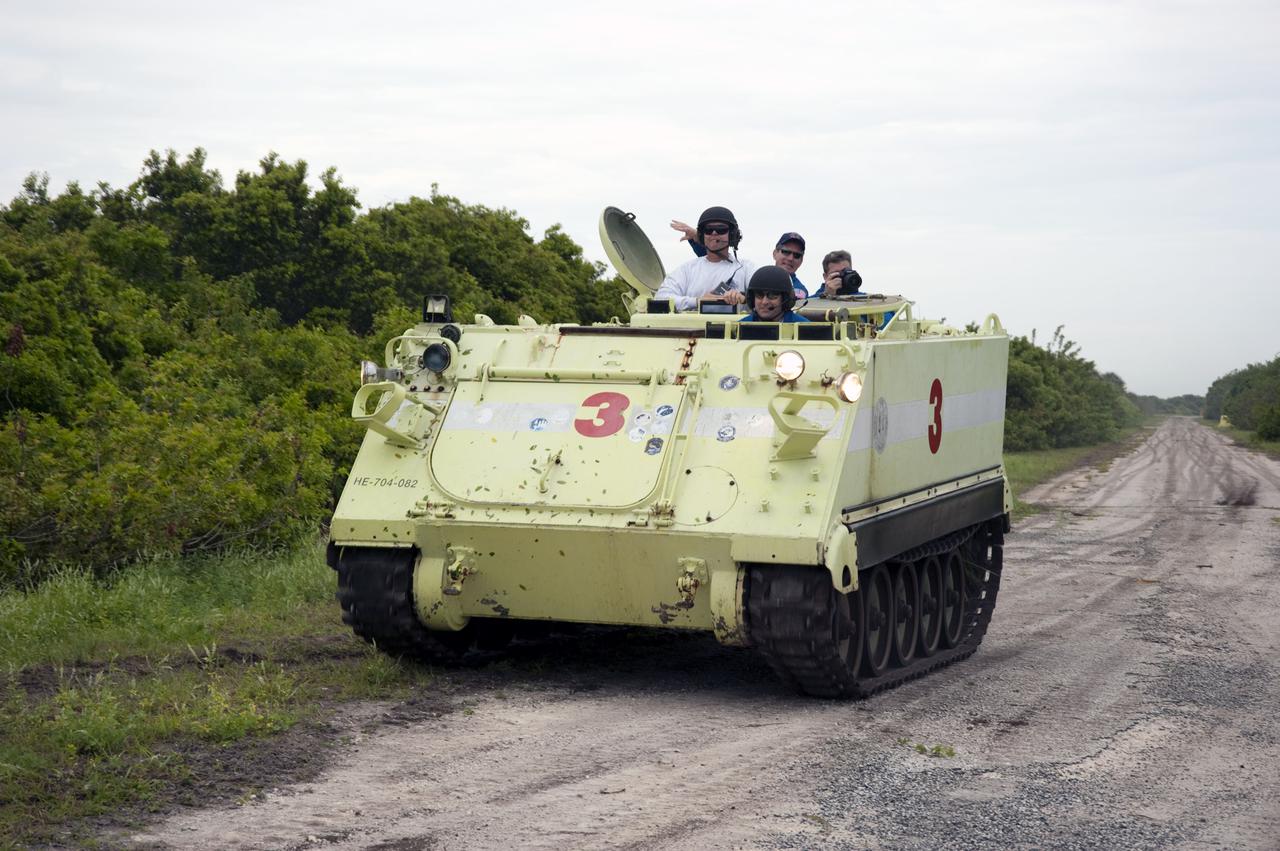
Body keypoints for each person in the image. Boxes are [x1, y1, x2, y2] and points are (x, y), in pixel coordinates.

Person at [671, 220, 810, 299]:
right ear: (775, 253)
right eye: (786, 252)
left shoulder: (799, 290)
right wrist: (703, 240)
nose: (790, 258)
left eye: (797, 255)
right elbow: (719, 263)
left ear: (802, 260)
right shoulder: (753, 273)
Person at [655, 207, 757, 311]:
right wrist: (697, 301)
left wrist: (743, 298)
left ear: (732, 234)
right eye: (708, 230)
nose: (714, 233)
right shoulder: (687, 269)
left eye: (721, 230)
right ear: (702, 235)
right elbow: (660, 298)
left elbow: (765, 295)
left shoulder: (746, 268)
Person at [739, 266, 809, 323]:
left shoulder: (805, 329)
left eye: (772, 296)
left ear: (785, 299)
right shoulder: (738, 328)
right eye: (759, 295)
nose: (764, 302)